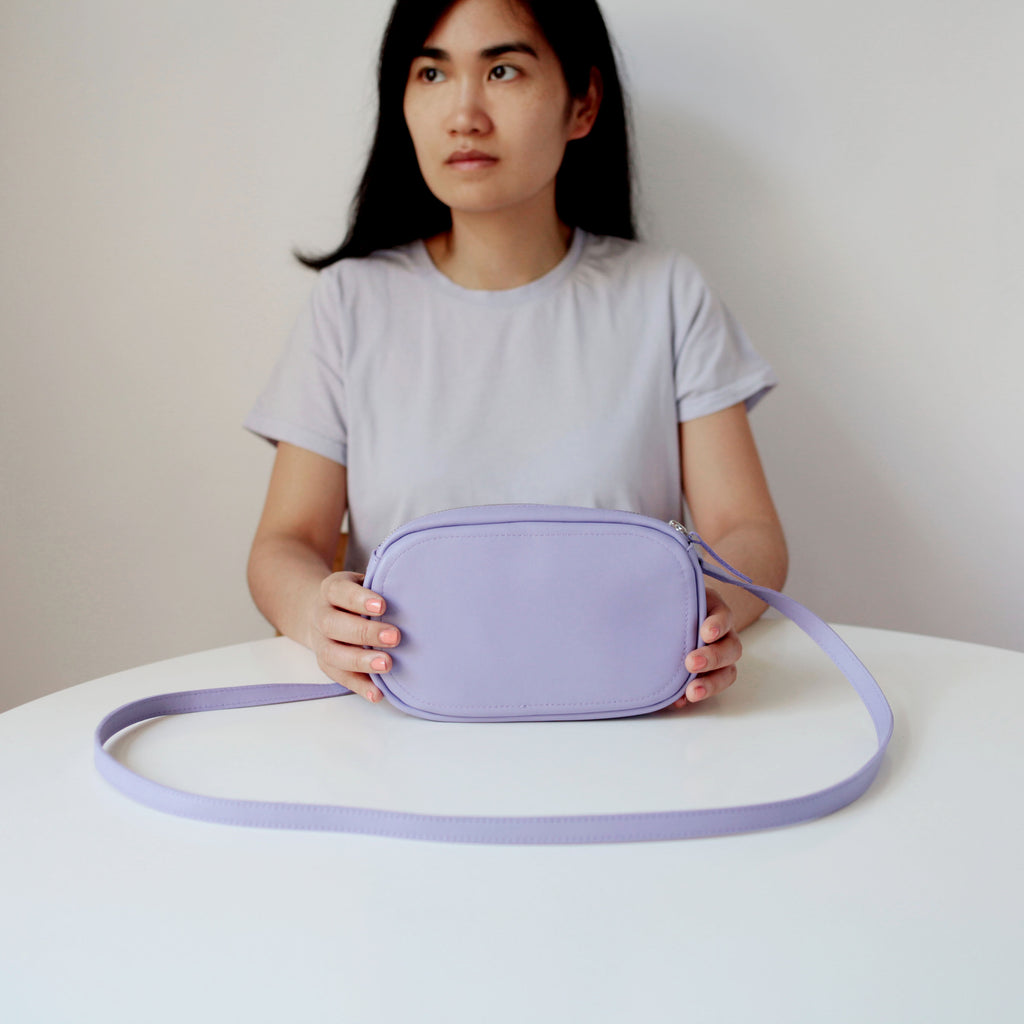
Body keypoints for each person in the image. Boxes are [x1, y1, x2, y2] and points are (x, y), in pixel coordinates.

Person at [245, 0, 788, 711]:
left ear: (583, 103)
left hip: (630, 715)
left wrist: (706, 613)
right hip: (402, 724)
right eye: (431, 73)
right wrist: (316, 614)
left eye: (502, 70)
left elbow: (747, 532)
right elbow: (286, 543)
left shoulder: (666, 293)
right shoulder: (350, 302)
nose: (464, 114)